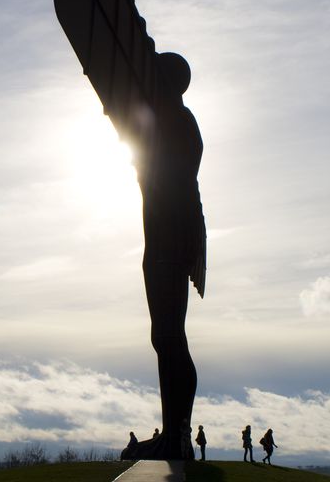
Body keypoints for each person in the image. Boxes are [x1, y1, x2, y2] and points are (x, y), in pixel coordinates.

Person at [128, 52, 207, 460]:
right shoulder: (169, 120)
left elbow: (164, 177)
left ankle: (177, 434)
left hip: (170, 238)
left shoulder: (175, 121)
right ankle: (173, 432)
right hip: (164, 236)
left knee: (170, 336)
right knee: (166, 337)